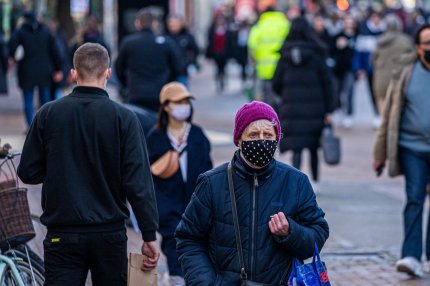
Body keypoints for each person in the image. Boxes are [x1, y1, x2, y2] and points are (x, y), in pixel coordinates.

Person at [17, 43, 160, 286]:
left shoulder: (48, 114)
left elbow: (28, 171)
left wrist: (58, 169)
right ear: (108, 73)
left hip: (62, 231)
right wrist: (148, 234)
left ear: (73, 73)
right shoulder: (124, 118)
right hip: (109, 234)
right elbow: (138, 182)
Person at [175, 101, 329, 285]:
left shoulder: (296, 182)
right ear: (239, 139)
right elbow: (189, 239)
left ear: (277, 139)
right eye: (253, 134)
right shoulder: (212, 183)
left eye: (268, 134)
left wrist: (291, 232)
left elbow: (317, 235)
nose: (261, 140)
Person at [373, 24, 430, 277]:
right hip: (412, 147)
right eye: (426, 43)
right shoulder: (406, 73)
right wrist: (379, 153)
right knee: (415, 198)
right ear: (418, 47)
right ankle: (411, 255)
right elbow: (389, 117)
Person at [147, 82, 212, 286]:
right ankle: (176, 280)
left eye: (186, 102)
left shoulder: (197, 135)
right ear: (166, 106)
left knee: (198, 249)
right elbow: (149, 177)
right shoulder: (155, 138)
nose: (184, 106)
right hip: (167, 207)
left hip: (196, 206)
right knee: (173, 246)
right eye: (178, 102)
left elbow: (208, 171)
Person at [272, 17, 335, 188]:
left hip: (291, 109)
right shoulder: (317, 54)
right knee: (313, 146)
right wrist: (330, 109)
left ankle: (295, 182)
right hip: (316, 109)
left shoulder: (284, 55)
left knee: (297, 146)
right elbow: (327, 83)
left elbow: (275, 83)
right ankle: (315, 180)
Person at [115, 8, 182, 112]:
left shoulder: (128, 43)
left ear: (137, 23)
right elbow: (177, 68)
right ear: (154, 24)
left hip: (135, 93)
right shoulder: (165, 43)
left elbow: (118, 67)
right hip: (159, 94)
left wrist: (126, 84)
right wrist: (167, 83)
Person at [8, 11, 63, 127]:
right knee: (45, 100)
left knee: (28, 100)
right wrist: (58, 68)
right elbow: (55, 51)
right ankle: (46, 125)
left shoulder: (20, 33)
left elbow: (12, 48)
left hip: (26, 71)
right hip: (44, 71)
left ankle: (31, 126)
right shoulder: (45, 32)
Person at [248, 0, 290, 106]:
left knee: (267, 96)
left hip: (264, 69)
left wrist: (255, 59)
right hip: (282, 67)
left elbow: (252, 45)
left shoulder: (260, 26)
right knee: (281, 94)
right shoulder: (285, 24)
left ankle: (268, 118)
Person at [371, 13, 415, 113]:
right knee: (397, 112)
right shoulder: (406, 41)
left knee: (383, 112)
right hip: (399, 80)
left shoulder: (380, 41)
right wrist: (401, 60)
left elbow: (373, 60)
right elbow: (414, 56)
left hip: (380, 81)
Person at [166, 14, 200, 87]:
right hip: (168, 74)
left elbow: (195, 50)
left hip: (182, 73)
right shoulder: (165, 38)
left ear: (180, 23)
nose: (172, 25)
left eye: (174, 23)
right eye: (170, 23)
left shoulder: (187, 36)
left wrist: (190, 63)